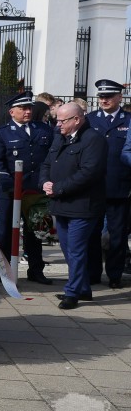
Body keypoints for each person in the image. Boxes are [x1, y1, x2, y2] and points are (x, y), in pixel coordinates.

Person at [41, 102, 106, 309]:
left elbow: (89, 173)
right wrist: (45, 182)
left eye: (62, 120)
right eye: (57, 120)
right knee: (68, 249)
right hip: (61, 204)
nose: (58, 124)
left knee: (76, 249)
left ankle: (72, 292)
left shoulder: (93, 139)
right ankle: (83, 287)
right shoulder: (60, 137)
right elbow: (47, 163)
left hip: (83, 205)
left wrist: (58, 188)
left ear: (76, 119)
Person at [0, 93, 54, 286]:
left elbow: (50, 157)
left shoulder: (43, 129)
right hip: (9, 190)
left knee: (36, 231)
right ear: (12, 112)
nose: (27, 112)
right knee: (5, 231)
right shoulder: (1, 133)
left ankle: (36, 270)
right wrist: (6, 180)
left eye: (29, 108)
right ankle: (4, 270)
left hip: (35, 190)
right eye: (23, 108)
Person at [87, 79, 131, 290]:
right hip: (92, 187)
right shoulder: (89, 119)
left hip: (119, 186)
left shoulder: (128, 120)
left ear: (120, 97)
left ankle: (115, 274)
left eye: (109, 96)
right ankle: (93, 273)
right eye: (101, 96)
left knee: (117, 235)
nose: (104, 100)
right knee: (91, 233)